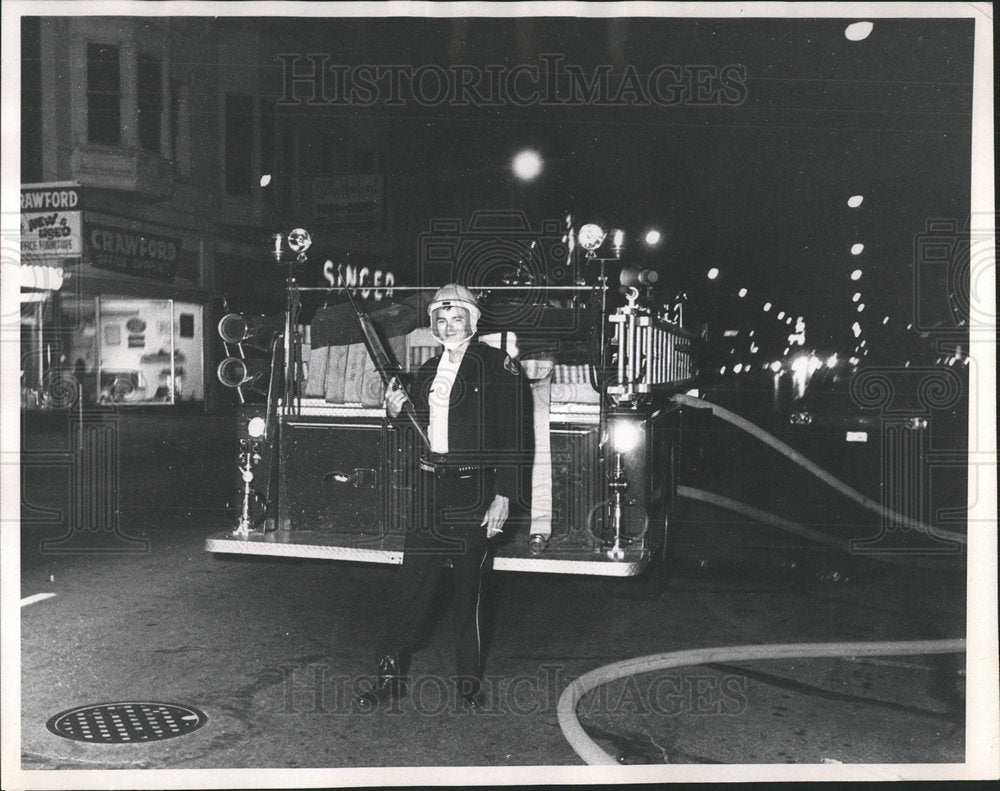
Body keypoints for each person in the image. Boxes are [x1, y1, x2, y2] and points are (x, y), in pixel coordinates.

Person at [355, 283, 531, 712]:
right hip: (430, 488)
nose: (449, 325)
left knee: (470, 590)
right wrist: (395, 412)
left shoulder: (499, 366)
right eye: (441, 319)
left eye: (457, 318)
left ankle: (469, 684)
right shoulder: (428, 369)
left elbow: (516, 436)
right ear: (433, 325)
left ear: (473, 321)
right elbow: (418, 430)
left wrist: (504, 496)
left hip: (474, 490)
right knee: (414, 584)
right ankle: (389, 673)